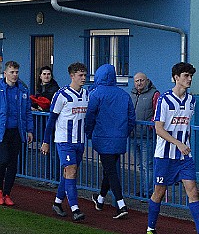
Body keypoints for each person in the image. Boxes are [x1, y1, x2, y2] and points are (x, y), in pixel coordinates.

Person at [145, 62, 199, 234]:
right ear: (176, 77)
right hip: (165, 155)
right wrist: (177, 143)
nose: (189, 79)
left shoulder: (191, 101)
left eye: (190, 76)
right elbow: (158, 128)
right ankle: (150, 229)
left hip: (184, 157)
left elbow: (185, 127)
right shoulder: (164, 100)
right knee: (159, 192)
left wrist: (184, 144)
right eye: (186, 76)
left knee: (193, 191)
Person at [86, 64, 136, 219]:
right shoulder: (124, 95)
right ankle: (100, 199)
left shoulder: (96, 94)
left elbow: (90, 116)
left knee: (111, 171)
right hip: (119, 138)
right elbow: (131, 119)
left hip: (103, 138)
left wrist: (89, 133)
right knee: (110, 169)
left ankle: (121, 204)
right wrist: (124, 133)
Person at [40, 62, 89, 222]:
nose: (83, 78)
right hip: (64, 141)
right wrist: (46, 141)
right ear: (72, 76)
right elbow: (51, 119)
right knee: (71, 171)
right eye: (80, 75)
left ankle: (57, 203)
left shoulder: (86, 94)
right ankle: (75, 209)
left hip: (79, 141)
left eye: (84, 75)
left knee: (68, 174)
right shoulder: (61, 95)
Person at [0, 61, 33, 205]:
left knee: (13, 163)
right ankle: (0, 191)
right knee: (3, 160)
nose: (14, 75)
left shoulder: (23, 90)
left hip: (17, 132)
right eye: (12, 72)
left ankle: (7, 193)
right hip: (2, 131)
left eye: (17, 72)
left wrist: (30, 130)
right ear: (5, 73)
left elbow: (27, 112)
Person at [130, 72, 159, 197]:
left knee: (147, 165)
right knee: (139, 165)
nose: (139, 83)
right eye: (137, 81)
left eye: (141, 80)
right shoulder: (132, 94)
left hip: (146, 136)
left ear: (147, 81)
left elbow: (158, 113)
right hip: (132, 135)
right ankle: (143, 189)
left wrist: (150, 125)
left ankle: (148, 192)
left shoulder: (154, 94)